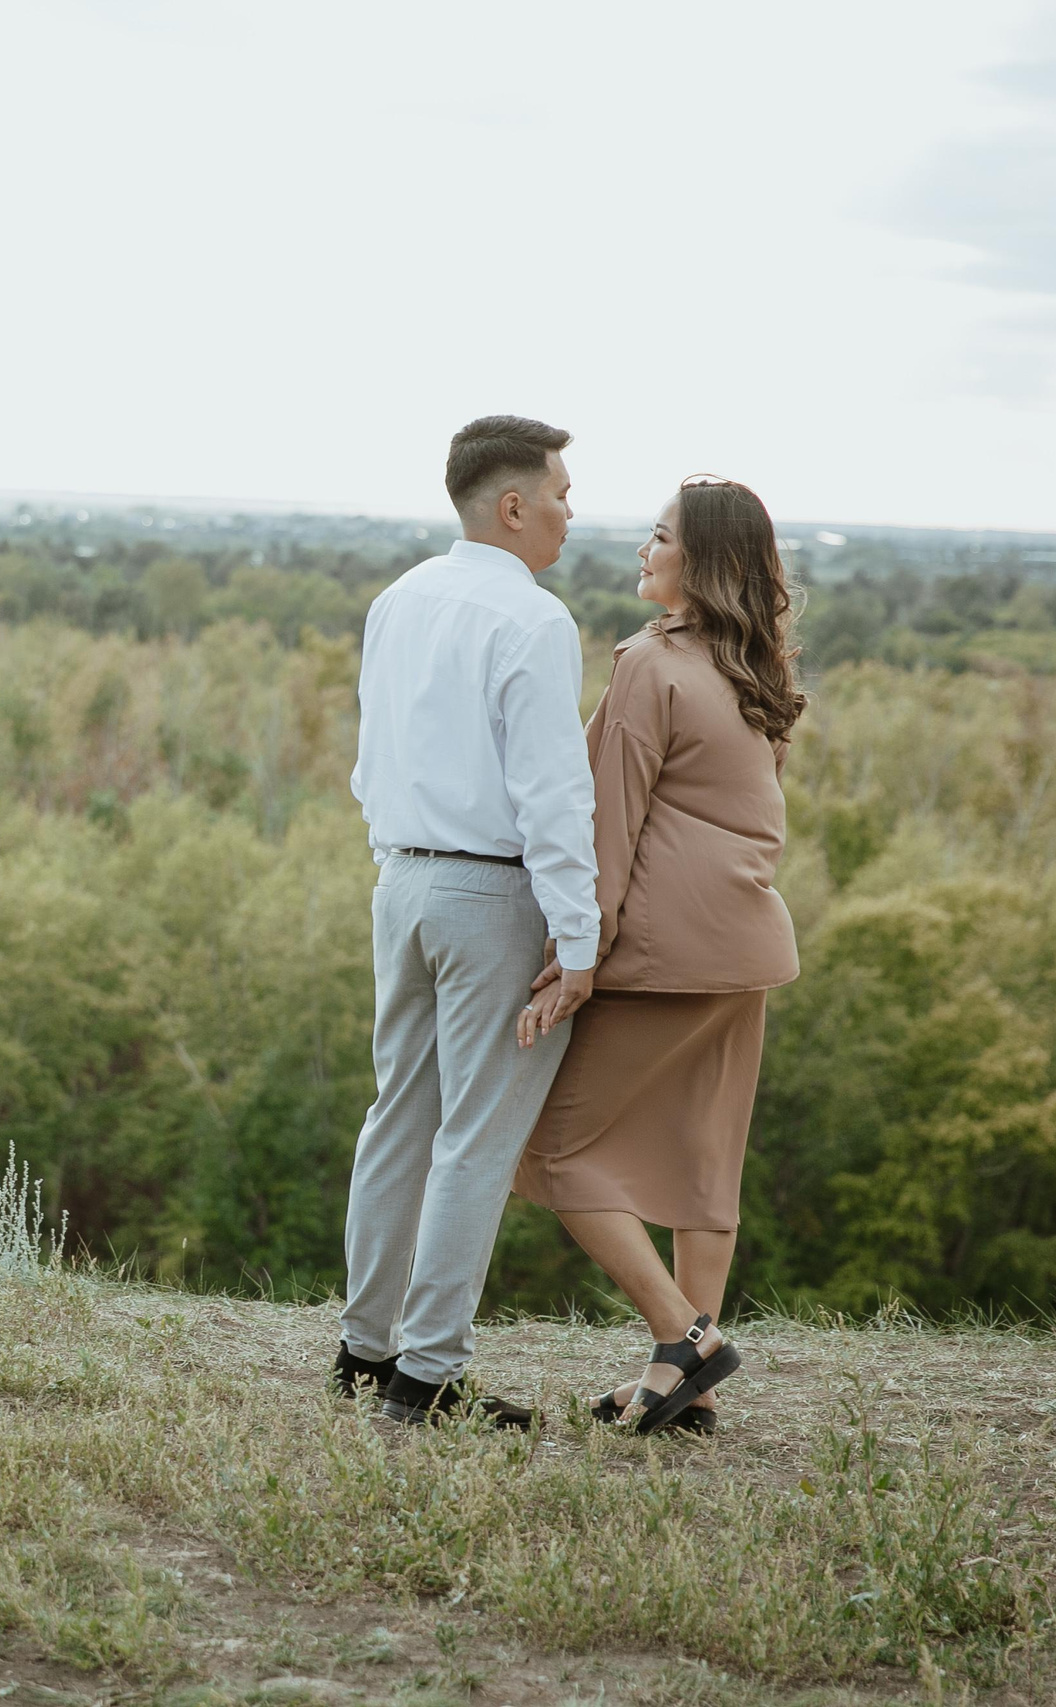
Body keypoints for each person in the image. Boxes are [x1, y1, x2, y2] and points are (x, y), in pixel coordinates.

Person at [514, 475, 804, 1436]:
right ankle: (692, 1389)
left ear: (702, 561)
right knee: (702, 1163)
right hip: (746, 944)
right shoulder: (750, 670)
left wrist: (576, 951)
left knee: (547, 1151)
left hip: (665, 953)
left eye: (660, 536)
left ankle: (686, 1339)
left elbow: (613, 824)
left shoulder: (650, 663)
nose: (644, 550)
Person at [337, 416, 601, 1428]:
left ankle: (364, 1353)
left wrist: (401, 862)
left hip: (400, 882)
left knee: (397, 1115)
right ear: (512, 505)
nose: (571, 514)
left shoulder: (397, 599)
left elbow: (369, 761)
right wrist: (576, 942)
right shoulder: (532, 621)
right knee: (476, 1140)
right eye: (562, 494)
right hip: (491, 895)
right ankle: (429, 1375)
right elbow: (552, 797)